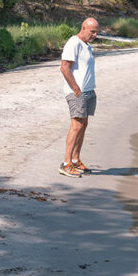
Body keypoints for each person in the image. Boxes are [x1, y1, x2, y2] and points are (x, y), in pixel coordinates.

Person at [58, 17, 99, 178]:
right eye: (92, 31)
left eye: (96, 32)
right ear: (83, 28)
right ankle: (66, 164)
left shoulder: (86, 46)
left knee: (83, 125)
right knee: (76, 126)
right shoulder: (73, 42)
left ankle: (75, 160)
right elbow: (64, 67)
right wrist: (75, 88)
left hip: (88, 91)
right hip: (78, 93)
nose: (95, 35)